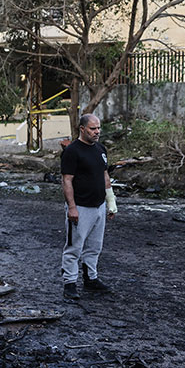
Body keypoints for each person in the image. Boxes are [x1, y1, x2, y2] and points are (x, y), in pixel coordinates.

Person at [60, 113, 117, 300]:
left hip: (98, 205)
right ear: (82, 129)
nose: (97, 132)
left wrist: (111, 202)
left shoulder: (100, 149)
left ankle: (90, 278)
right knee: (74, 247)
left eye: (98, 128)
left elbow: (105, 175)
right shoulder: (72, 151)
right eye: (93, 129)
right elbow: (67, 180)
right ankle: (69, 283)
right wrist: (72, 207)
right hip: (81, 207)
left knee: (94, 246)